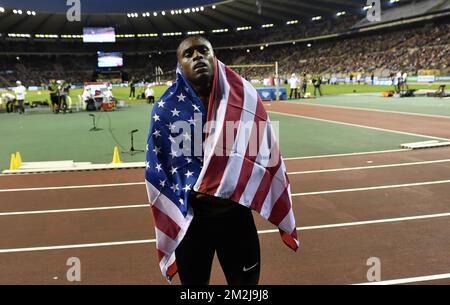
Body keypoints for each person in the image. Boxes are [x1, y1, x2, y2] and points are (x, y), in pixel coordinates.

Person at [145, 36, 298, 285]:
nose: (197, 57)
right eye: (188, 54)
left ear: (214, 58)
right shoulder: (165, 110)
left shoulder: (245, 98)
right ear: (179, 65)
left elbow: (263, 153)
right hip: (192, 222)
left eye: (203, 51)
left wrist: (238, 183)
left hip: (235, 216)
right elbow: (161, 170)